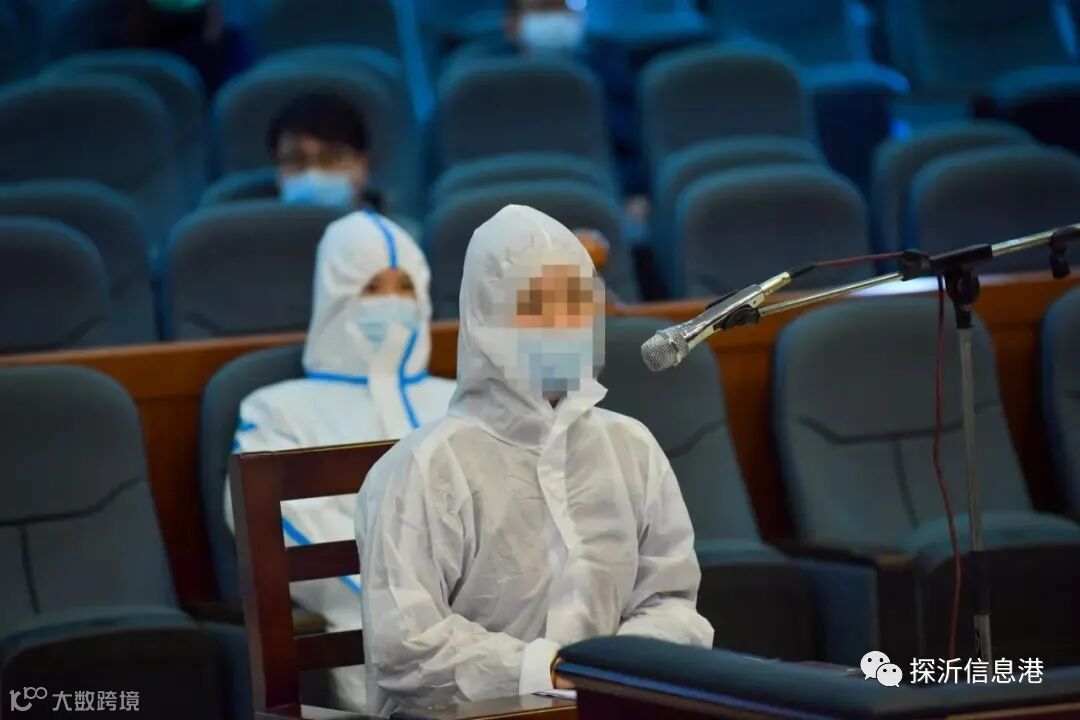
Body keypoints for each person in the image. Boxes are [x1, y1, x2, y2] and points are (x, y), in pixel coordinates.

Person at [355, 205, 712, 716]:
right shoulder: (426, 468)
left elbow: (671, 601)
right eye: (538, 305)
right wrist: (555, 673)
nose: (565, 324)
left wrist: (622, 672)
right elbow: (406, 646)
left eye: (577, 302)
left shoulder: (631, 447)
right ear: (487, 318)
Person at [224, 210, 456, 711]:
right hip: (362, 611)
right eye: (372, 287)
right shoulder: (278, 408)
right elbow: (284, 525)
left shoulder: (460, 399)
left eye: (405, 287)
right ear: (336, 296)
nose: (392, 302)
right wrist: (401, 590)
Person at [267, 92, 379, 212]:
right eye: (296, 160)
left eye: (329, 159)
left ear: (363, 165)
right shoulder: (255, 223)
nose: (312, 175)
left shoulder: (388, 224)